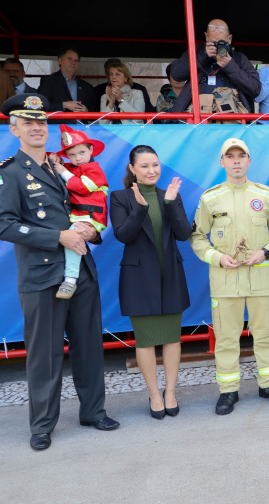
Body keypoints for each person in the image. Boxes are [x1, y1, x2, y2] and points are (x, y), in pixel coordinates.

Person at [0, 94, 118, 450]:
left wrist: (94, 230)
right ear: (14, 129)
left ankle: (93, 411)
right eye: (28, 123)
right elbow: (5, 226)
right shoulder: (7, 173)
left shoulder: (65, 167)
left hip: (81, 270)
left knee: (89, 346)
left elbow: (90, 207)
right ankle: (42, 424)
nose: (36, 128)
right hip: (41, 275)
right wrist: (58, 236)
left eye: (42, 122)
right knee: (44, 354)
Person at [191, 138, 269, 414]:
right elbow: (197, 237)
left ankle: (268, 384)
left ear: (249, 160)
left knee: (265, 334)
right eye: (230, 156)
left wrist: (267, 252)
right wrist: (218, 258)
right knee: (225, 337)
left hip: (260, 278)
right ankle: (228, 391)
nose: (236, 161)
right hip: (224, 281)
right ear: (222, 162)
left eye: (241, 156)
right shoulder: (209, 198)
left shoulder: (266, 195)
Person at [111, 145, 192, 419]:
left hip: (170, 275)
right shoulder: (120, 197)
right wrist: (141, 209)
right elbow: (123, 235)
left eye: (155, 164)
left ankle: (170, 392)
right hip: (138, 279)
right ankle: (154, 394)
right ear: (132, 169)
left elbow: (183, 234)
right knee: (145, 340)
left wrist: (170, 203)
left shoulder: (169, 195)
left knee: (171, 338)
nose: (151, 170)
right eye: (144, 166)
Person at [48, 125, 110, 300]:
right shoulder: (73, 167)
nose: (78, 158)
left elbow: (82, 187)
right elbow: (47, 160)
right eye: (72, 155)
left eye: (82, 152)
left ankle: (70, 279)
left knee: (73, 239)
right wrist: (53, 157)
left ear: (91, 149)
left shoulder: (94, 169)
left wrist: (63, 171)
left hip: (91, 218)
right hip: (78, 216)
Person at [170, 19, 261, 114]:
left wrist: (230, 66)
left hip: (230, 120)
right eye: (213, 43)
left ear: (229, 39)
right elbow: (176, 74)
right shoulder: (195, 52)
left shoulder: (239, 59)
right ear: (206, 37)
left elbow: (255, 89)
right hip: (198, 117)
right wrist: (203, 57)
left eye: (221, 43)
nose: (217, 47)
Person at [37, 47, 100, 113]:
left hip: (81, 123)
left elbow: (96, 111)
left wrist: (87, 111)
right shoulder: (48, 81)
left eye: (76, 61)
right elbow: (41, 106)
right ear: (60, 60)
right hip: (59, 123)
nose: (73, 63)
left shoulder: (86, 87)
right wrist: (63, 105)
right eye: (70, 59)